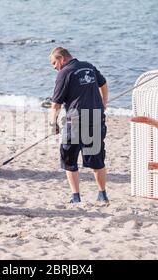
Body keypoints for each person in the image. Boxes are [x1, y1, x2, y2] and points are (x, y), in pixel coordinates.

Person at [49, 47, 109, 204]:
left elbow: (55, 104)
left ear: (62, 59)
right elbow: (103, 83)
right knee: (96, 158)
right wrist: (104, 102)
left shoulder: (64, 73)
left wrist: (52, 124)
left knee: (69, 158)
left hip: (76, 121)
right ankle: (102, 195)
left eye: (54, 63)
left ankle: (76, 197)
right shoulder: (88, 66)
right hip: (96, 118)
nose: (54, 67)